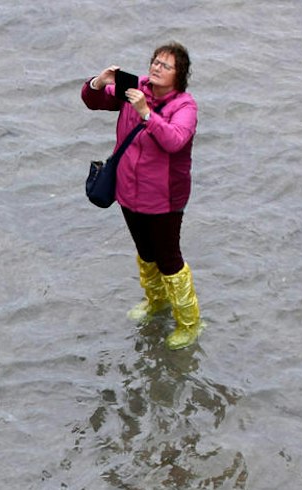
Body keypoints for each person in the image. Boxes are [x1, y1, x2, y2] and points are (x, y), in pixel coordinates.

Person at [83, 42, 202, 349]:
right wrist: (100, 82)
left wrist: (146, 113)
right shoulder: (134, 89)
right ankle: (157, 303)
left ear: (180, 75)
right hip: (128, 191)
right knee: (146, 252)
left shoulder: (185, 106)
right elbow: (93, 100)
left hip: (164, 198)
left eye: (166, 65)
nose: (156, 68)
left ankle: (189, 323)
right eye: (155, 62)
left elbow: (175, 140)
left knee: (169, 259)